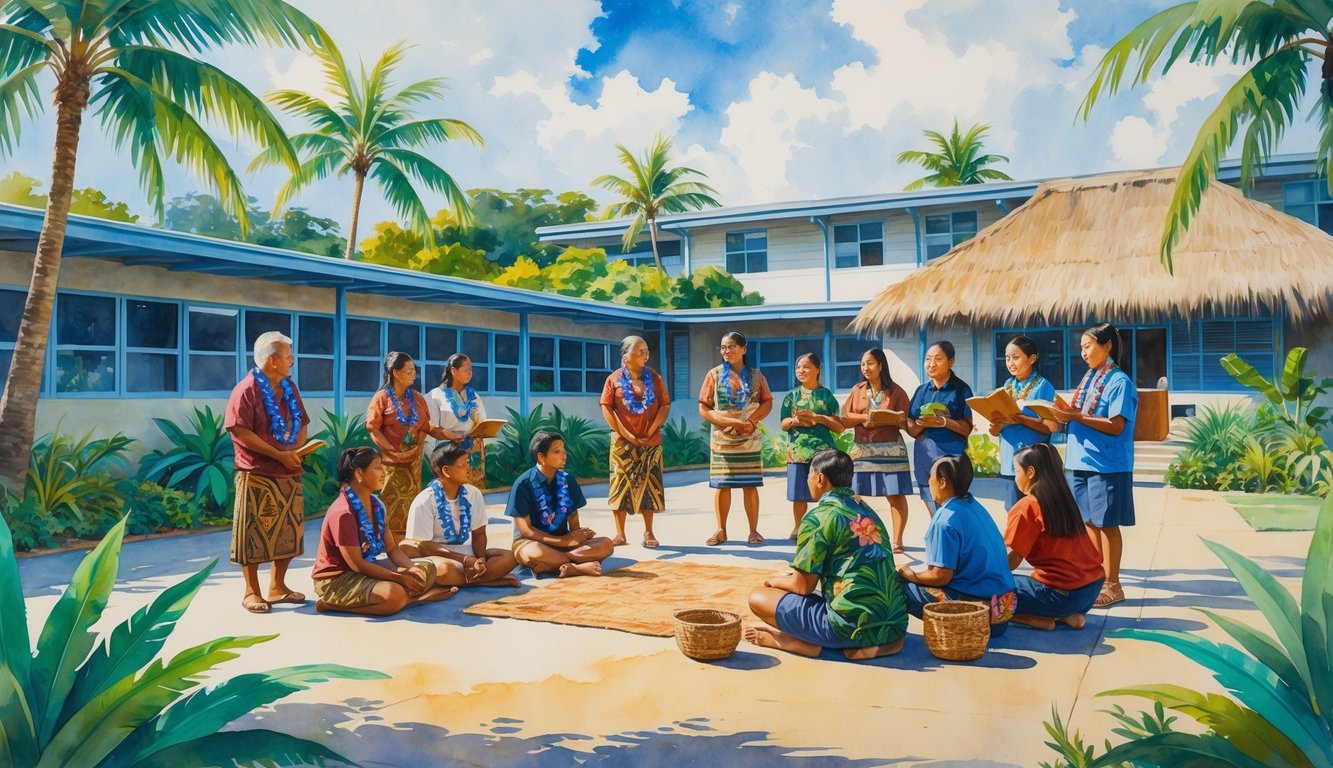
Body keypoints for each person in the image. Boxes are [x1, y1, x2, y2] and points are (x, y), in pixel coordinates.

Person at [745, 449, 908, 660]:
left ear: (820, 479)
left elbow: (803, 587)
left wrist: (774, 580)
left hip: (848, 627)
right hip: (894, 625)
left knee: (758, 596)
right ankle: (879, 644)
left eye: (809, 476)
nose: (807, 481)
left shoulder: (818, 517)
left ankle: (808, 644)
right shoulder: (867, 510)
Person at [311, 447, 461, 615]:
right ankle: (331, 603)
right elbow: (358, 564)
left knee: (426, 571)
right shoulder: (343, 513)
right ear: (359, 474)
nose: (384, 472)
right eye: (377, 467)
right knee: (394, 595)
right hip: (337, 579)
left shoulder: (375, 505)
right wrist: (399, 577)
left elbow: (392, 549)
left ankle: (407, 596)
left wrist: (411, 569)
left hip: (365, 568)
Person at [1050, 322, 1138, 608]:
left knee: (1107, 523)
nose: (1083, 353)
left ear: (1108, 346)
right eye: (1081, 348)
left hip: (1107, 464)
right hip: (1079, 460)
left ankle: (1114, 585)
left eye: (1088, 346)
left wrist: (1076, 417)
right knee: (1087, 521)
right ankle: (1096, 578)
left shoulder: (1119, 382)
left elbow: (1116, 425)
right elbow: (1081, 415)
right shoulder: (1088, 379)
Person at [224, 331, 310, 614]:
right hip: (257, 472)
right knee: (253, 534)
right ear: (272, 361)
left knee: (288, 532)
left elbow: (302, 421)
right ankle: (251, 591)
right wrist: (278, 455)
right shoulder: (246, 389)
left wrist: (296, 450)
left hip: (288, 470)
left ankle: (278, 586)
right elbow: (239, 430)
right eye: (288, 357)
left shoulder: (289, 387)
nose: (292, 361)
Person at [897, 454, 1016, 638]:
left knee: (901, 587)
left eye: (931, 477)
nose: (929, 482)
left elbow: (941, 576)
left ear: (942, 482)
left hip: (984, 616)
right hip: (1005, 612)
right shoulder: (973, 505)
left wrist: (911, 575)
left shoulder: (945, 519)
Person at [1005, 443, 1106, 630]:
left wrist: (985, 577)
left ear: (1030, 472)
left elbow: (1013, 558)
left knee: (989, 591)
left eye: (1016, 470)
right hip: (1091, 590)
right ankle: (1064, 618)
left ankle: (1034, 618)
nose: (1015, 476)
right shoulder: (1064, 499)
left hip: (1062, 596)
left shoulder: (1027, 505)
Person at [401, 441, 520, 587]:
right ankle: (488, 580)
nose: (469, 469)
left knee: (510, 557)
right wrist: (465, 560)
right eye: (463, 465)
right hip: (434, 556)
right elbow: (422, 547)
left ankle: (478, 578)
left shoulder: (473, 493)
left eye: (468, 463)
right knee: (443, 570)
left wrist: (480, 560)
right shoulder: (425, 501)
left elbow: (479, 534)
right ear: (446, 471)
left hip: (465, 552)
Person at [699, 331, 774, 546]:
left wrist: (750, 422)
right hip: (722, 438)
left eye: (731, 346)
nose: (726, 351)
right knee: (722, 485)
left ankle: (753, 530)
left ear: (744, 349)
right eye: (723, 347)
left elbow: (767, 402)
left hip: (749, 438)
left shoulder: (757, 376)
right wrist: (727, 422)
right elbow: (704, 406)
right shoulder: (713, 375)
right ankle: (721, 529)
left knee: (749, 484)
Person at [507, 430, 614, 578]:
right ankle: (577, 566)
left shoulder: (568, 480)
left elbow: (573, 518)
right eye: (557, 451)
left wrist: (579, 537)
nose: (564, 455)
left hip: (566, 544)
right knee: (532, 553)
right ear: (541, 457)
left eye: (564, 451)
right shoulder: (523, 484)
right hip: (532, 542)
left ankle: (552, 565)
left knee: (607, 544)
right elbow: (526, 531)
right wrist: (563, 542)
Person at [599, 335, 671, 548]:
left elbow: (665, 405)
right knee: (620, 485)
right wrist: (624, 433)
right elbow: (606, 407)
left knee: (650, 486)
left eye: (647, 351)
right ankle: (620, 534)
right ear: (626, 355)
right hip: (622, 443)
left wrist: (651, 428)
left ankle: (649, 532)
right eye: (640, 351)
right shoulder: (613, 379)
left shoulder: (655, 378)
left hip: (651, 441)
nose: (645, 355)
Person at [842, 348, 913, 554]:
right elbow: (845, 416)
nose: (866, 368)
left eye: (870, 363)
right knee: (855, 495)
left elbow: (906, 418)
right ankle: (860, 536)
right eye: (863, 364)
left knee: (896, 495)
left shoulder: (896, 391)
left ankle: (898, 540)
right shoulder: (858, 389)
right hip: (862, 450)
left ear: (881, 366)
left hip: (891, 449)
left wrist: (894, 418)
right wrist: (865, 418)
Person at [987, 336, 1058, 509]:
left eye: (1016, 357)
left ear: (1032, 358)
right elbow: (996, 431)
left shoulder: (1043, 386)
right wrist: (995, 422)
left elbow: (1049, 427)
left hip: (1034, 462)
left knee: (1036, 513)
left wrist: (1022, 419)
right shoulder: (1006, 387)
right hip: (1010, 461)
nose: (1010, 362)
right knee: (1013, 511)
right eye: (1007, 358)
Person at [367, 351, 432, 536]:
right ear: (396, 373)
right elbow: (373, 428)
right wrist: (390, 449)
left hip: (413, 463)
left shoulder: (417, 397)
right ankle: (389, 542)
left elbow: (425, 425)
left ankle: (410, 539)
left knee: (413, 503)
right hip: (391, 463)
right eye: (409, 371)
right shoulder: (381, 398)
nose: (414, 375)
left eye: (414, 371)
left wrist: (418, 446)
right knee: (390, 503)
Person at [779, 353, 843, 540]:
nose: (801, 371)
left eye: (806, 367)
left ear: (817, 370)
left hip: (823, 454)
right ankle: (798, 527)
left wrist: (819, 419)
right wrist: (794, 421)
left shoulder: (826, 396)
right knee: (799, 494)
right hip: (797, 452)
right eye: (798, 367)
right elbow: (783, 423)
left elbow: (839, 426)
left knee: (826, 491)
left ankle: (826, 526)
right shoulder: (791, 396)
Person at [906, 341, 974, 513]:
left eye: (938, 359)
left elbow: (967, 428)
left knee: (952, 509)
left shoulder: (961, 390)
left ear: (951, 362)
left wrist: (943, 422)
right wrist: (916, 424)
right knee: (934, 510)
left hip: (951, 460)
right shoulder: (922, 391)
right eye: (928, 359)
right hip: (925, 458)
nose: (931, 364)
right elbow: (912, 426)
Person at [425, 353, 490, 489]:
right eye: (466, 370)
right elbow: (429, 428)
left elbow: (483, 422)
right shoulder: (435, 396)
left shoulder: (474, 396)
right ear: (453, 371)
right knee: (450, 493)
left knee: (473, 495)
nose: (470, 373)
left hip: (474, 455)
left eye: (471, 369)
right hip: (449, 455)